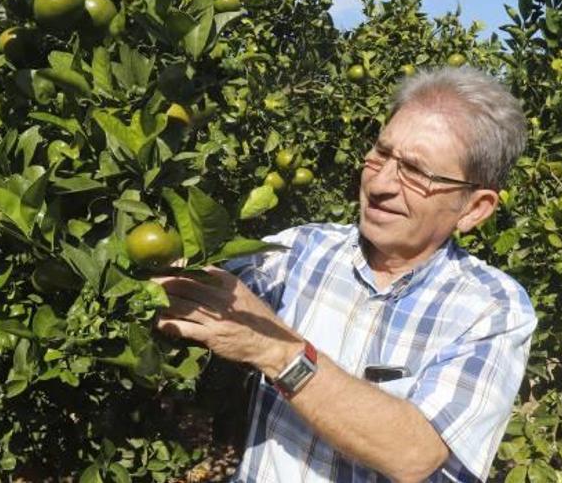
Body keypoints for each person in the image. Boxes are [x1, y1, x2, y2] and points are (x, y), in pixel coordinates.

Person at [155, 66, 537, 482]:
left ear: (474, 208)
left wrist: (275, 349)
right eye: (381, 153)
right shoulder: (302, 249)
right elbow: (204, 289)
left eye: (415, 172)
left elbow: (414, 453)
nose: (381, 183)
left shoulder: (491, 309)